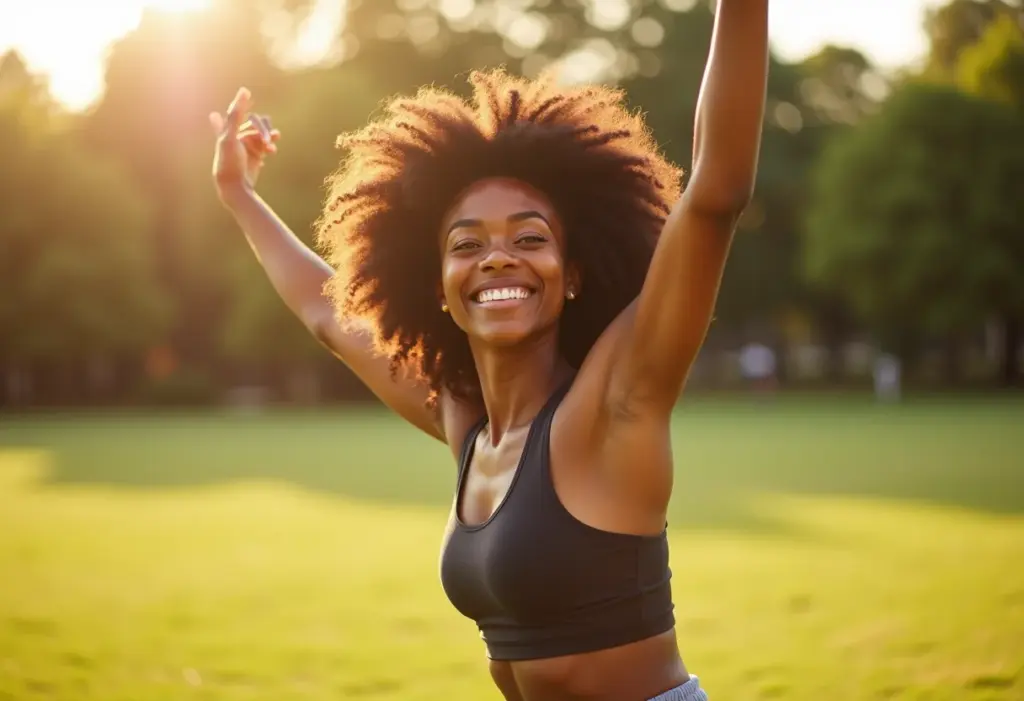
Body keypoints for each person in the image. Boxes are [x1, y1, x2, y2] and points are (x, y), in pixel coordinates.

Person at [208, 1, 768, 697]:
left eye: (529, 238)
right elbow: (328, 314)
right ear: (439, 286)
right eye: (467, 243)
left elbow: (715, 193)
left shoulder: (615, 402)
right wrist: (238, 194)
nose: (498, 257)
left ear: (572, 274)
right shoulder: (466, 423)